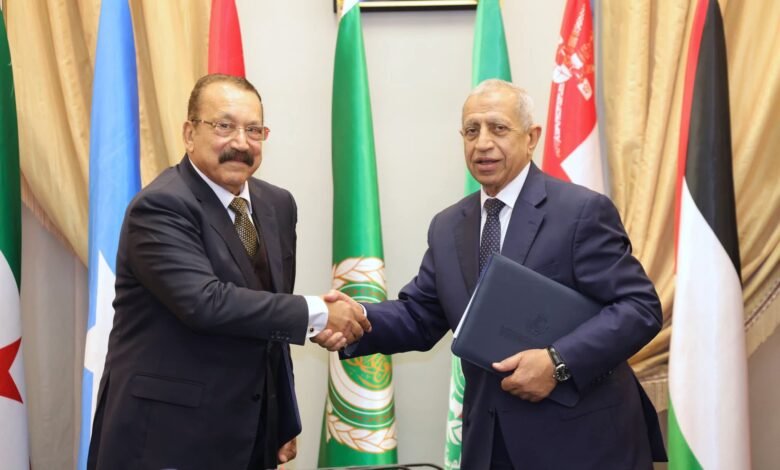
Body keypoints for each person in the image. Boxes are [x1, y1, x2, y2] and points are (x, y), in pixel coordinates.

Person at [321, 79, 666, 469]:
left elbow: (639, 308)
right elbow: (420, 315)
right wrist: (355, 319)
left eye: (498, 128)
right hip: (489, 445)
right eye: (472, 131)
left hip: (582, 444)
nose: (482, 143)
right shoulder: (448, 225)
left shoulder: (580, 212)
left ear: (531, 137)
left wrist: (558, 362)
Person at [87, 74, 369, 470]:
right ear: (189, 134)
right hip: (166, 439)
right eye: (224, 126)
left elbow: (270, 324)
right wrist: (318, 313)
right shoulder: (161, 206)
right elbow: (206, 303)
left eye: (254, 130)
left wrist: (281, 418)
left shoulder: (277, 205)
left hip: (249, 434)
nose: (241, 142)